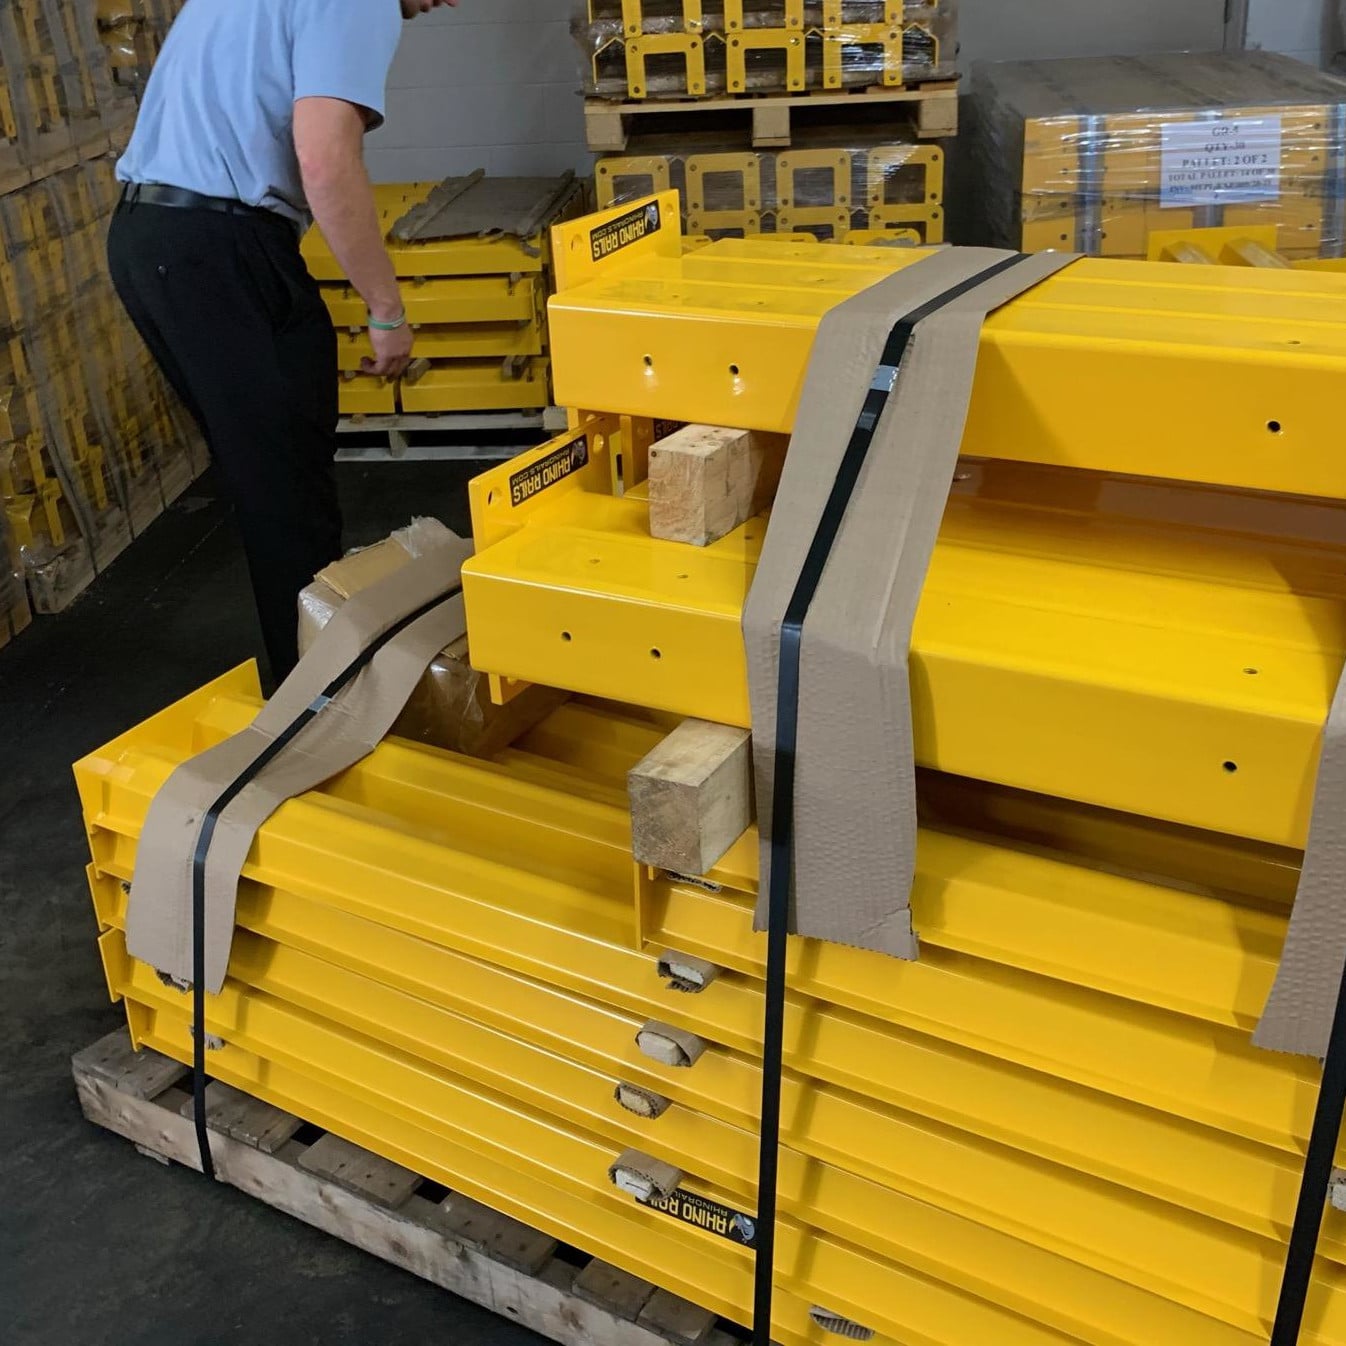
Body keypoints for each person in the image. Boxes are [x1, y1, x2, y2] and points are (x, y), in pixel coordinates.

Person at [107, 0, 457, 680]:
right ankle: (320, 700)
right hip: (217, 246)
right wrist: (386, 309)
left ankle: (309, 681)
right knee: (286, 486)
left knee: (271, 473)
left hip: (154, 239)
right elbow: (324, 158)